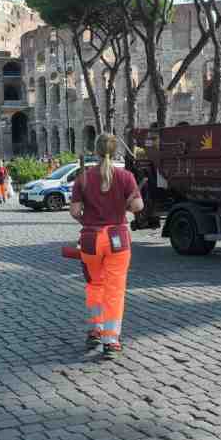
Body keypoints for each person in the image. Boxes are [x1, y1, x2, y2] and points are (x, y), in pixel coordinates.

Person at [69, 134, 144, 360]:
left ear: (96, 150)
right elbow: (138, 205)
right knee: (115, 290)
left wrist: (87, 220)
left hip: (91, 239)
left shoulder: (83, 178)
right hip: (117, 239)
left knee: (94, 285)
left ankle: (95, 330)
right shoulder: (126, 177)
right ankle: (111, 341)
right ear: (116, 150)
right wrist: (124, 206)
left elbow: (74, 211)